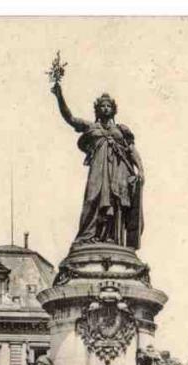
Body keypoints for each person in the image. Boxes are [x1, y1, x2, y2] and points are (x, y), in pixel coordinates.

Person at [51, 82, 144, 248]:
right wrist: (59, 96)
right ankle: (88, 236)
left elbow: (131, 150)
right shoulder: (91, 126)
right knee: (92, 198)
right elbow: (70, 118)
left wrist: (141, 169)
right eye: (103, 106)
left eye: (109, 106)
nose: (106, 108)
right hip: (98, 170)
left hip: (118, 172)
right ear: (97, 109)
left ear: (113, 109)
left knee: (116, 204)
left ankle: (111, 239)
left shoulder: (121, 130)